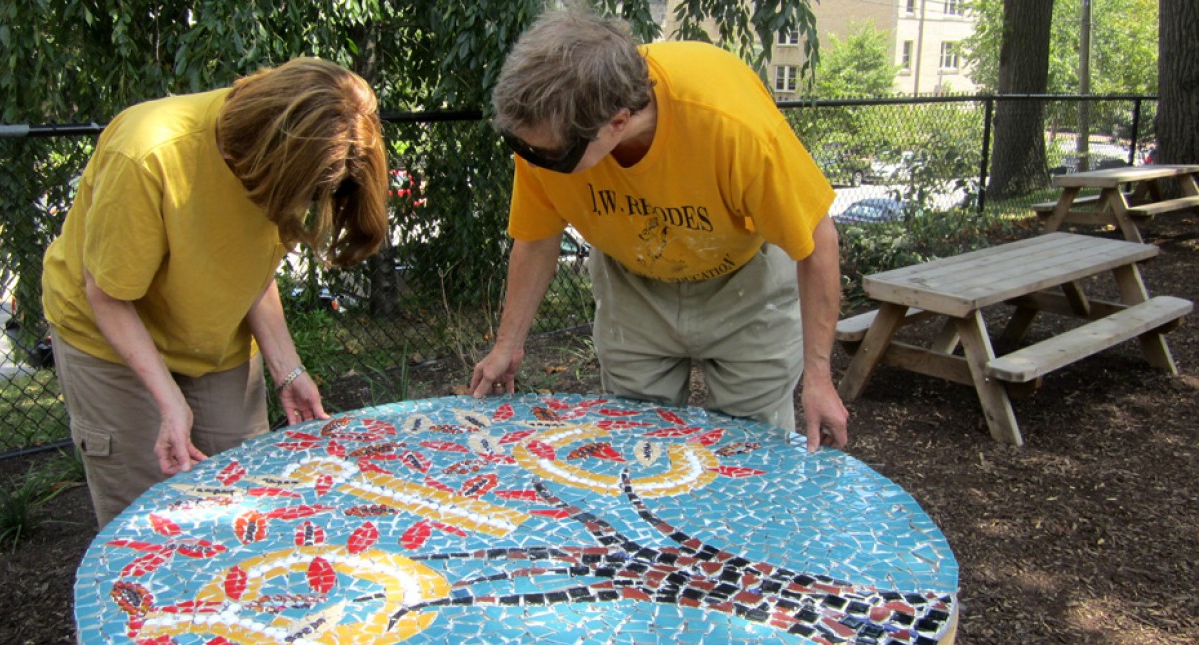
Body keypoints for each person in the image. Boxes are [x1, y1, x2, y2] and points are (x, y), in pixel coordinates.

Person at [470, 6, 849, 452]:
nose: (535, 161)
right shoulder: (548, 135)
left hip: (746, 286)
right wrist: (507, 346)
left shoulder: (730, 123)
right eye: (523, 147)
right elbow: (535, 240)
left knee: (755, 449)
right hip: (634, 284)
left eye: (550, 156)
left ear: (617, 122)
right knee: (635, 445)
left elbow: (816, 241)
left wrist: (819, 379)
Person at [42, 58, 389, 528]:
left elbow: (252, 271)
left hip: (213, 335)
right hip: (111, 338)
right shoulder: (148, 152)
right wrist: (168, 399)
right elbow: (107, 296)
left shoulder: (294, 165)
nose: (307, 208)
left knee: (248, 501)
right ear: (267, 160)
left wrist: (289, 373)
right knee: (148, 518)